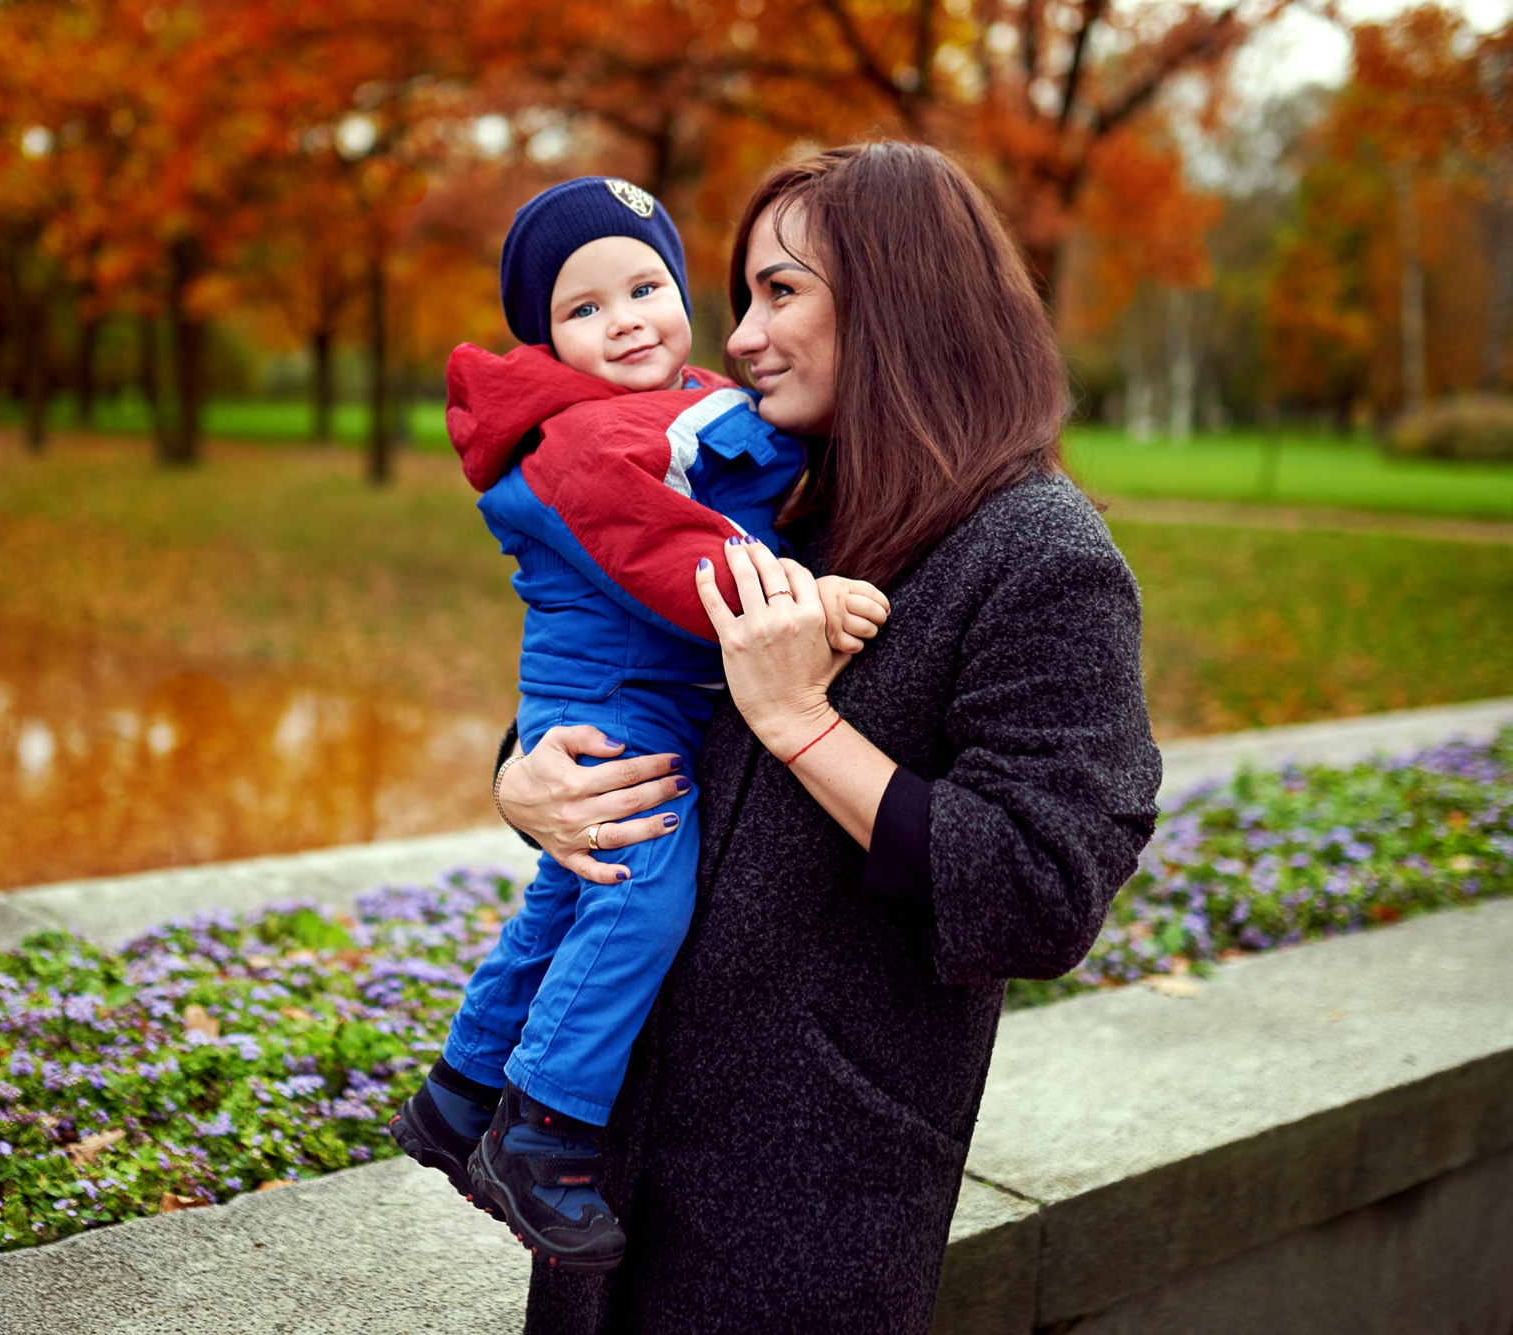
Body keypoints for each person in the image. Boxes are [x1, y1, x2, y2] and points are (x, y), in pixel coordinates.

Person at [492, 143, 1163, 1333]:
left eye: (780, 292)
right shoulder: (778, 500)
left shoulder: (1041, 561)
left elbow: (1036, 889)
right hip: (613, 1160)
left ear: (901, 299)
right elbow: (623, 672)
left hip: (801, 1198)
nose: (737, 336)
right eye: (742, 294)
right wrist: (525, 777)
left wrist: (798, 721)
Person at [387, 176, 890, 1273]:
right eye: (581, 308)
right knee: (638, 896)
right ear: (548, 341)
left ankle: (456, 1096)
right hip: (612, 702)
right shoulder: (583, 439)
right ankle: (544, 1131)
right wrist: (800, 597)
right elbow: (668, 553)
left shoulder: (680, 402)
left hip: (634, 695)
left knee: (572, 893)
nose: (622, 319)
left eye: (644, 286)